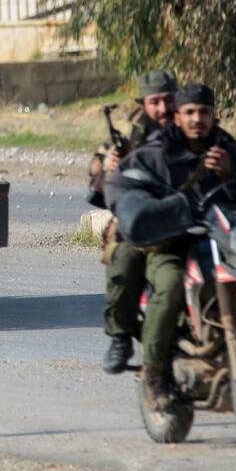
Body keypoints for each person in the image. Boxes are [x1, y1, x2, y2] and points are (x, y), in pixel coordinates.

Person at [104, 83, 236, 411]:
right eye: (190, 112)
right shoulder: (156, 151)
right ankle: (154, 373)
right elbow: (119, 185)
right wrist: (140, 210)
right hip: (167, 243)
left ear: (213, 114)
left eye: (204, 112)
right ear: (178, 116)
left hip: (215, 239)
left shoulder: (226, 147)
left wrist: (231, 174)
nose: (197, 119)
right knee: (172, 282)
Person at [94, 69, 178, 374]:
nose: (163, 108)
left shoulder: (194, 124)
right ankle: (120, 336)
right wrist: (108, 169)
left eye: (169, 100)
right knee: (125, 260)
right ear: (144, 104)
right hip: (140, 220)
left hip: (188, 214)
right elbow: (96, 184)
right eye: (155, 102)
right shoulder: (128, 136)